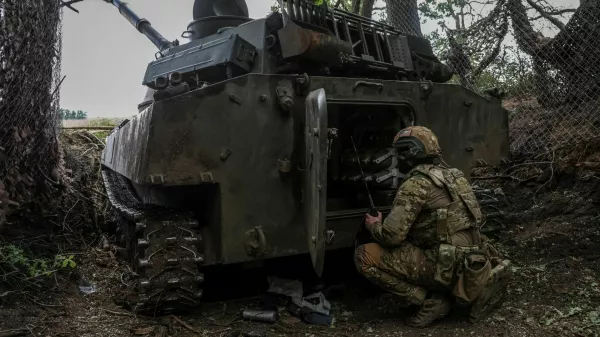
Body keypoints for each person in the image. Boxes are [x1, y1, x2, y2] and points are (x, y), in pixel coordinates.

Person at [354, 126, 510, 328]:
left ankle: (429, 301)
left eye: (400, 152)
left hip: (445, 265)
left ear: (409, 153)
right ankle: (448, 292)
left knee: (363, 256)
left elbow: (391, 236)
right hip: (472, 260)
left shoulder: (416, 183)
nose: (398, 158)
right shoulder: (455, 176)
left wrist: (374, 226)